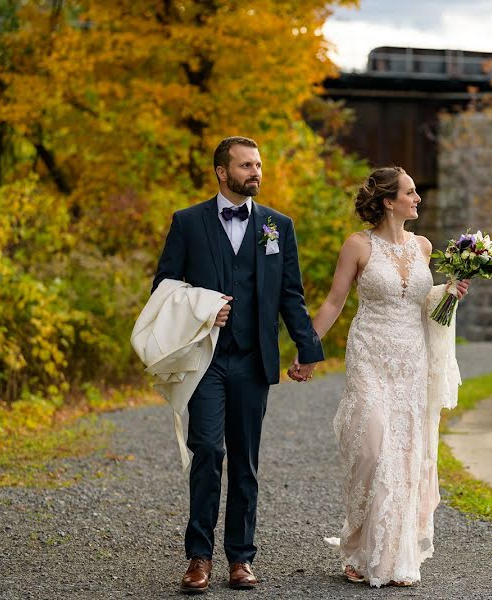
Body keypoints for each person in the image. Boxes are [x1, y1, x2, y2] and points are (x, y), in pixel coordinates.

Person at [152, 136, 324, 593]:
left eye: (259, 165)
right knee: (208, 451)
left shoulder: (277, 226)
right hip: (205, 359)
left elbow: (291, 294)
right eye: (246, 165)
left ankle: (241, 559)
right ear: (221, 172)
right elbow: (165, 287)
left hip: (253, 361)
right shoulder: (188, 222)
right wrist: (203, 306)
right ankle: (199, 556)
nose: (256, 172)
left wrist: (307, 347)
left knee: (245, 462)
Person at [304, 166, 469, 587]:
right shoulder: (358, 245)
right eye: (411, 193)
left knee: (406, 451)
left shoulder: (425, 247)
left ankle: (392, 555)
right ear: (387, 201)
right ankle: (360, 543)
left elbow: (425, 308)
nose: (418, 199)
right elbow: (334, 302)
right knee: (373, 448)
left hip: (412, 359)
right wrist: (308, 350)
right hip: (370, 355)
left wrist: (447, 295)